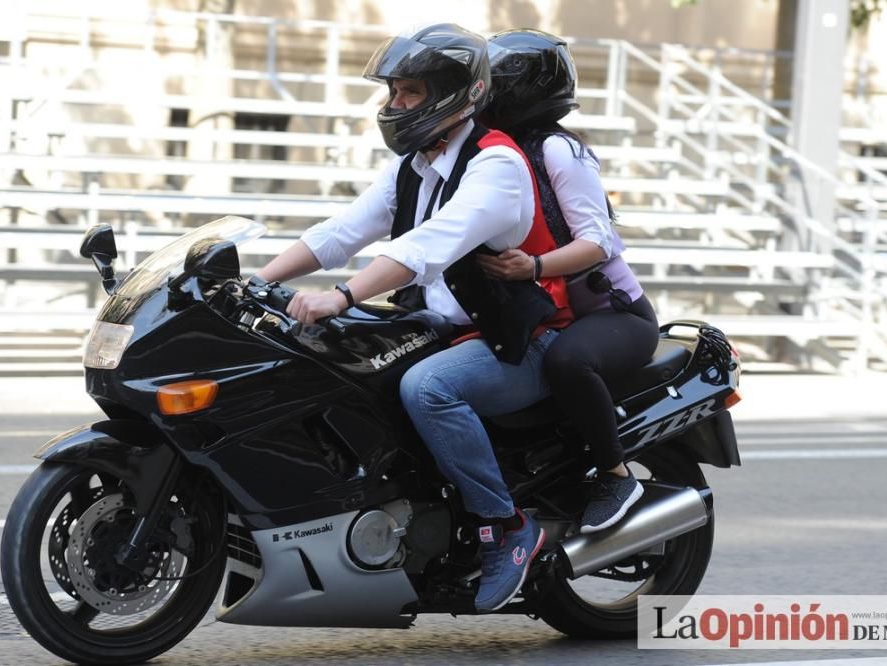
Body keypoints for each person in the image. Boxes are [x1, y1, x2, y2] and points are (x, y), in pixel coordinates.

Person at [254, 24, 573, 613]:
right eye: (393, 92)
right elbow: (342, 232)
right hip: (442, 329)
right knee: (324, 363)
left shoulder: (495, 164)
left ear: (457, 94)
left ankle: (504, 526)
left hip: (515, 342)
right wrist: (255, 282)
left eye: (410, 93)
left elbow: (425, 246)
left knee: (428, 388)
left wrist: (342, 296)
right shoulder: (416, 165)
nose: (394, 106)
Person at [478, 29, 659, 534]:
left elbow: (598, 242)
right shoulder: (496, 150)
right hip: (546, 309)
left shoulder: (557, 149)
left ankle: (615, 474)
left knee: (568, 362)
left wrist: (532, 268)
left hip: (613, 315)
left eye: (491, 83)